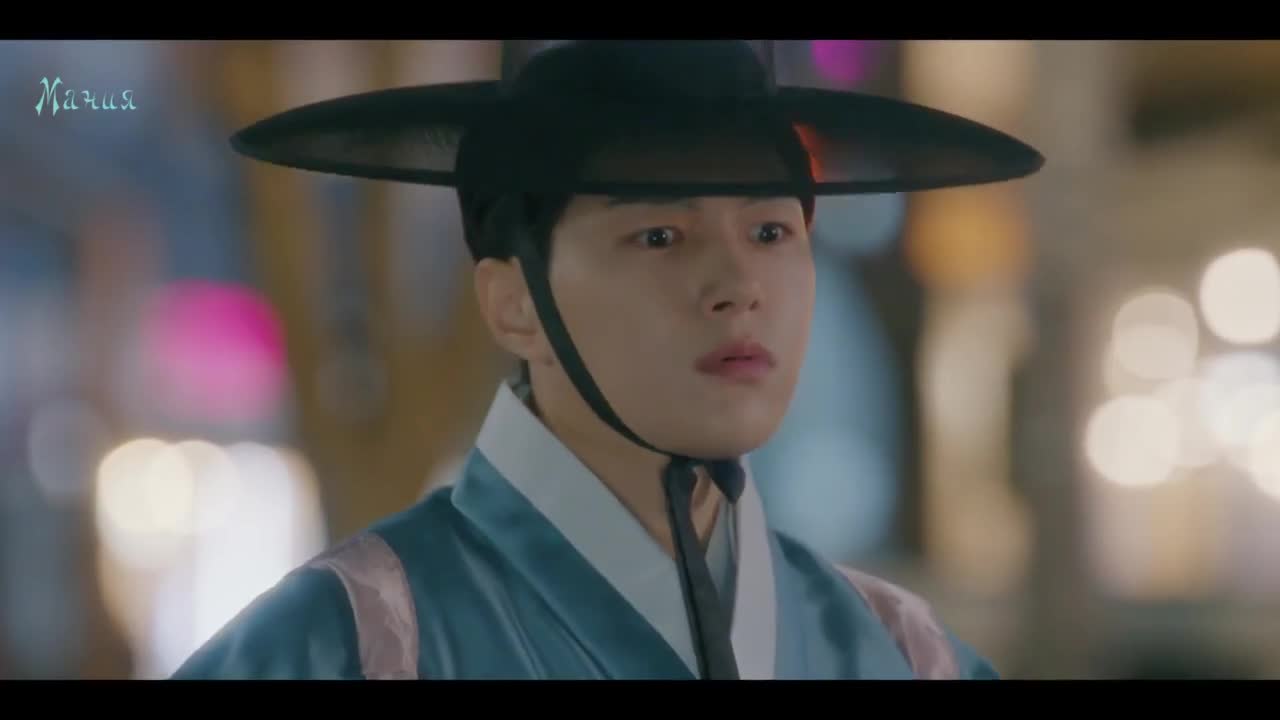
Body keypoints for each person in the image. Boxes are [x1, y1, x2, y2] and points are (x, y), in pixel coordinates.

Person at [171, 40, 1043, 680]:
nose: (739, 287)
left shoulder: (900, 653)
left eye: (772, 232)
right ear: (514, 303)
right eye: (659, 235)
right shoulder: (350, 645)